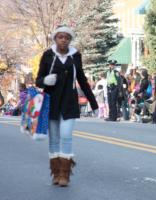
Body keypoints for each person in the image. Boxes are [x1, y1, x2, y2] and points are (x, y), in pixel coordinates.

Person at [36, 25, 98, 187]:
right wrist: (45, 81)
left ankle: (65, 174)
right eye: (60, 37)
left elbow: (82, 80)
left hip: (69, 102)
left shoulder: (75, 56)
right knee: (54, 139)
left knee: (66, 135)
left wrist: (93, 102)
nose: (63, 40)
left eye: (67, 37)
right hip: (52, 101)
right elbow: (38, 80)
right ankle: (55, 173)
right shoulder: (48, 55)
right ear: (55, 38)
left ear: (70, 40)